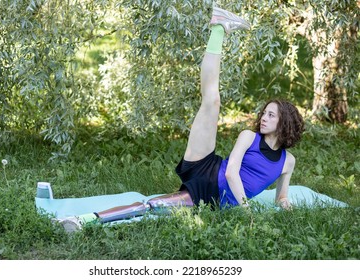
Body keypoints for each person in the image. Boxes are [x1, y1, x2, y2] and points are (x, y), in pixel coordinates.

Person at [59, 6, 304, 233]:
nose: (263, 118)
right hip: (208, 169)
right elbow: (231, 173)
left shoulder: (287, 162)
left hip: (208, 197)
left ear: (284, 124)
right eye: (264, 112)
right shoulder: (249, 137)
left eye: (271, 115)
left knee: (152, 206)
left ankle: (84, 220)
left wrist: (286, 209)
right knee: (212, 101)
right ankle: (219, 27)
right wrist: (246, 210)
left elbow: (281, 197)